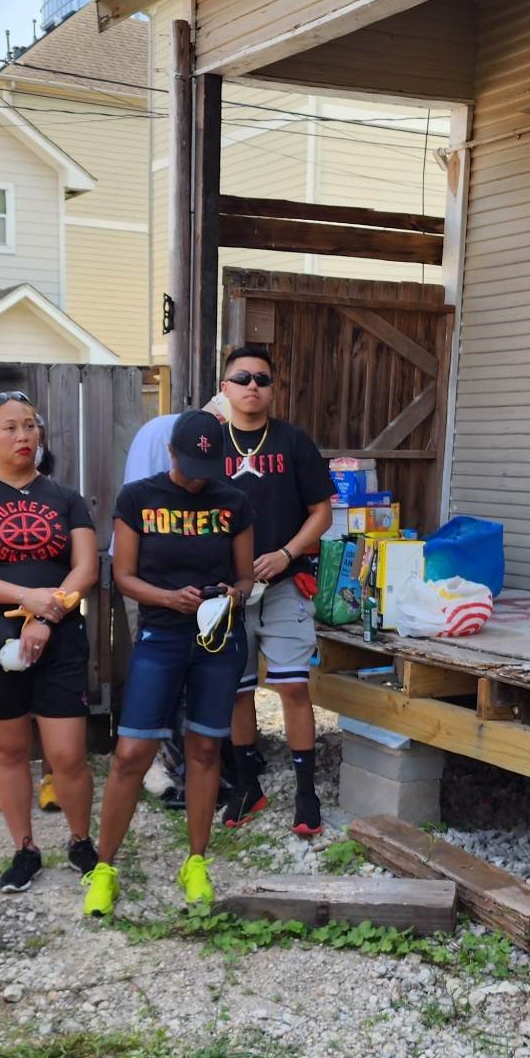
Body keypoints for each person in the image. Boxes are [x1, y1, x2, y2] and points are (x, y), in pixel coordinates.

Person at [82, 411, 255, 919]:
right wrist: (166, 597)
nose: (201, 475)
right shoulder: (138, 499)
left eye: (210, 464)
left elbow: (246, 578)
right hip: (162, 634)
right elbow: (123, 576)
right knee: (131, 753)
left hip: (218, 636)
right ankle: (104, 868)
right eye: (192, 463)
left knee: (204, 750)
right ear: (172, 454)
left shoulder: (234, 502)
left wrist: (234, 594)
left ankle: (196, 862)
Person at [0, 391, 100, 892]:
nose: (23, 436)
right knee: (8, 750)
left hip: (60, 638)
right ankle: (24, 849)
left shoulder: (66, 498)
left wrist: (48, 615)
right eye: (10, 428)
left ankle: (80, 840)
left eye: (30, 426)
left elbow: (86, 568)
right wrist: (24, 596)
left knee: (68, 754)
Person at [209, 345, 334, 837]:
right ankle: (247, 786)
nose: (252, 386)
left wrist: (285, 553)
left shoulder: (293, 442)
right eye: (242, 378)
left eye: (262, 378)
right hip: (229, 594)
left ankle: (306, 794)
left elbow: (321, 513)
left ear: (273, 387)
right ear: (225, 389)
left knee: (292, 687)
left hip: (284, 583)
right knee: (237, 694)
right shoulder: (211, 446)